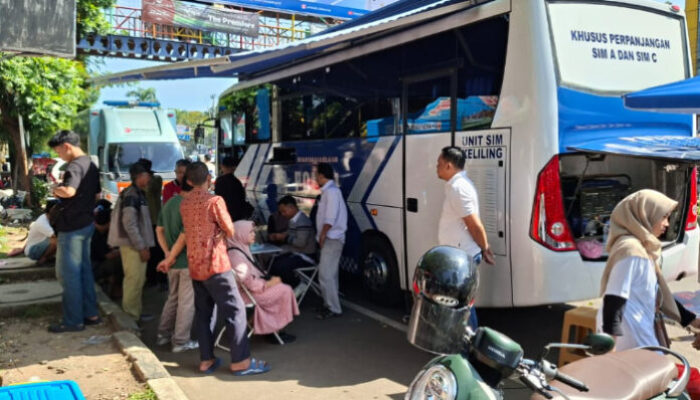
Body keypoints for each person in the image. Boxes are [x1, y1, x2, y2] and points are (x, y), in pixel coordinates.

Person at [158, 162, 270, 376]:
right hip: (216, 265)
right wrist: (218, 231)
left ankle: (206, 360)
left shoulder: (185, 204)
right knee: (235, 311)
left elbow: (185, 234)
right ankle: (241, 362)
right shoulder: (215, 201)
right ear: (209, 178)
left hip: (195, 266)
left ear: (188, 181)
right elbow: (229, 230)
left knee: (204, 314)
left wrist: (170, 257)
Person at [598, 189, 700, 351]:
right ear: (645, 215)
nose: (667, 224)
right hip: (630, 337)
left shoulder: (643, 249)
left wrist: (691, 320)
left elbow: (659, 294)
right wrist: (610, 344)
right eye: (663, 217)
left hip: (640, 333)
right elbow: (614, 298)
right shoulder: (631, 249)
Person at [47, 130, 101, 333]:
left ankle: (73, 320)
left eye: (58, 151)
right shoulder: (91, 165)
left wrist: (55, 188)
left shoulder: (75, 166)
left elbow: (69, 191)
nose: (59, 155)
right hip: (86, 224)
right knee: (84, 271)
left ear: (67, 146)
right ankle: (91, 314)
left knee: (68, 275)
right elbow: (97, 196)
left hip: (71, 227)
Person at [436, 146, 495, 330]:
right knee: (457, 303)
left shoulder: (459, 188)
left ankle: (468, 342)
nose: (436, 167)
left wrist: (485, 248)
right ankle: (459, 340)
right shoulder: (456, 185)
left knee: (462, 304)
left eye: (439, 163)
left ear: (449, 165)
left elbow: (474, 225)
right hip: (458, 255)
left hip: (462, 257)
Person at [228, 220, 299, 342]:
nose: (254, 235)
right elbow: (248, 282)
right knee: (285, 290)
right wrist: (269, 283)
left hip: (250, 290)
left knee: (282, 288)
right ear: (240, 234)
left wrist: (269, 282)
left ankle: (270, 327)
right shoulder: (236, 256)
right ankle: (274, 330)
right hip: (246, 294)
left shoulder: (240, 249)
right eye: (250, 232)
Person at [155, 180, 198, 353]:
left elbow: (159, 230)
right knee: (186, 302)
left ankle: (163, 334)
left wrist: (167, 253)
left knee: (172, 298)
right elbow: (184, 236)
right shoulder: (188, 206)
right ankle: (180, 341)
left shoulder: (169, 203)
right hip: (186, 261)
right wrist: (172, 255)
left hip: (171, 264)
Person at [108, 162, 154, 323]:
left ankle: (136, 313)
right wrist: (141, 246)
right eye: (147, 175)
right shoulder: (132, 195)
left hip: (135, 243)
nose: (150, 179)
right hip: (132, 245)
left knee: (138, 280)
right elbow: (130, 224)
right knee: (133, 280)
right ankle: (130, 318)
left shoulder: (136, 193)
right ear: (140, 176)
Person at [314, 163, 346, 320]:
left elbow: (330, 218)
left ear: (321, 175)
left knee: (325, 275)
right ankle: (332, 305)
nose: (315, 178)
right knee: (330, 274)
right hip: (331, 237)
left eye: (316, 175)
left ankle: (332, 307)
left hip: (331, 238)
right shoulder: (330, 191)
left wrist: (322, 235)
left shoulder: (331, 192)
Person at [268, 195, 317, 291]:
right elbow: (290, 233)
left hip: (306, 256)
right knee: (272, 261)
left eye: (284, 211)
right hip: (297, 253)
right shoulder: (293, 220)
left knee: (280, 266)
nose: (282, 214)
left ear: (292, 207)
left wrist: (284, 237)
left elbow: (300, 243)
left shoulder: (302, 221)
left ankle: (296, 285)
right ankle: (280, 289)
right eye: (281, 212)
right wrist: (279, 235)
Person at [139, 158, 165, 289]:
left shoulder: (156, 179)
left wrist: (146, 178)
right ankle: (151, 279)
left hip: (155, 221)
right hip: (144, 222)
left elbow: (149, 189)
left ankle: (162, 279)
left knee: (158, 252)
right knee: (148, 251)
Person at [91, 200, 122, 299]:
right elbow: (108, 255)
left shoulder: (102, 232)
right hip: (94, 267)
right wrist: (122, 251)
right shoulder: (95, 235)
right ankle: (115, 289)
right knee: (120, 262)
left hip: (98, 263)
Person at [214, 156, 250, 221]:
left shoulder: (220, 180)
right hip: (237, 215)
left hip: (225, 215)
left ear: (222, 166)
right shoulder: (237, 181)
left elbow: (218, 198)